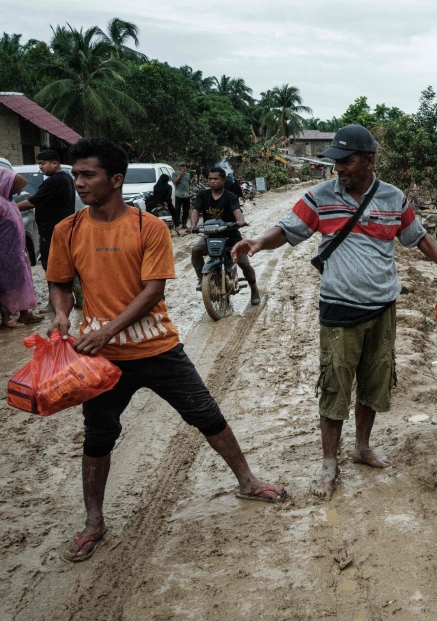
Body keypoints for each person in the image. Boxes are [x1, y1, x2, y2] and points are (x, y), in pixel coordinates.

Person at [45, 138, 287, 563]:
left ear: (115, 180)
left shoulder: (148, 228)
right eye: (75, 174)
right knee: (98, 437)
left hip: (157, 348)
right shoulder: (68, 230)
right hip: (101, 362)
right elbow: (60, 283)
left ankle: (247, 481)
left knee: (206, 415)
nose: (78, 182)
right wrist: (62, 315)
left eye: (88, 174)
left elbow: (152, 290)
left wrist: (106, 331)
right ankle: (93, 523)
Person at [231, 124, 437, 499]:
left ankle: (363, 447)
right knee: (335, 386)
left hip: (383, 308)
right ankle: (329, 463)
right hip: (339, 309)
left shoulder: (392, 198)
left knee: (374, 382)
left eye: (347, 161)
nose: (339, 168)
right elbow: (288, 230)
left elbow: (417, 236)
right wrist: (258, 242)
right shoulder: (321, 196)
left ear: (369, 161)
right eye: (336, 162)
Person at [189, 166, 260, 305]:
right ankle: (202, 280)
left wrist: (240, 221)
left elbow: (237, 211)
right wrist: (193, 225)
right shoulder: (203, 195)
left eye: (215, 179)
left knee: (244, 264)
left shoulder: (230, 196)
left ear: (223, 180)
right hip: (211, 235)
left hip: (231, 236)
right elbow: (196, 211)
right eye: (210, 179)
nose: (212, 181)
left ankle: (254, 287)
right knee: (196, 250)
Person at [16, 149, 76, 272]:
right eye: (39, 164)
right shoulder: (65, 177)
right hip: (61, 229)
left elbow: (32, 203)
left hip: (52, 232)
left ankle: (56, 290)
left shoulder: (54, 181)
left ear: (54, 163)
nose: (40, 167)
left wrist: (10, 208)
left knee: (52, 268)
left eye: (43, 163)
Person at [0, 169, 44, 328]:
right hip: (3, 254)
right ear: (6, 184)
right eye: (16, 186)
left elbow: (18, 227)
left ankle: (25, 314)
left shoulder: (10, 202)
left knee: (23, 282)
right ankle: (6, 319)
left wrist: (23, 247)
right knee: (5, 286)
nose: (19, 191)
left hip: (17, 251)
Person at [172, 160, 191, 231]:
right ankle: (177, 224)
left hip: (186, 195)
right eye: (181, 166)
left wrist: (190, 191)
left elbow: (188, 184)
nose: (183, 167)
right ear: (179, 167)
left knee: (186, 211)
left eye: (184, 166)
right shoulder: (175, 174)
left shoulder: (188, 175)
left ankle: (184, 223)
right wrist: (180, 175)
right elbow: (174, 182)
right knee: (177, 210)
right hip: (179, 195)